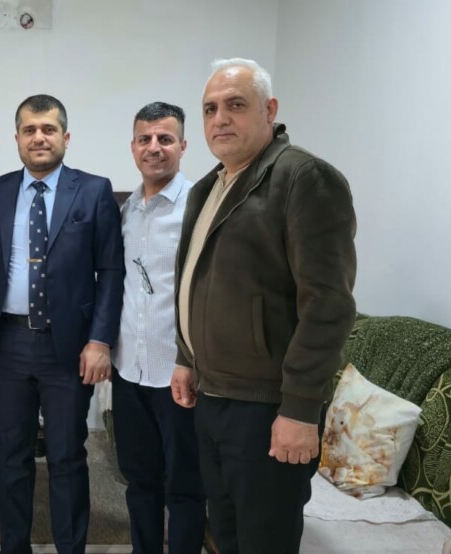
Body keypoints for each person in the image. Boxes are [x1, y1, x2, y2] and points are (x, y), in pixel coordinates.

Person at [170, 58, 357, 553]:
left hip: (267, 409)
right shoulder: (208, 188)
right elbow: (197, 282)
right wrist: (186, 357)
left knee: (263, 541)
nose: (220, 119)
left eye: (235, 105)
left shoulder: (303, 179)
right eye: (210, 109)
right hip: (213, 398)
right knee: (225, 535)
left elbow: (328, 305)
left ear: (269, 110)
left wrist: (299, 409)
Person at [0, 94, 124, 554]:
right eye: (30, 129)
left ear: (66, 138)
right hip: (8, 344)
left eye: (49, 129)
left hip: (68, 347)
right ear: (16, 138)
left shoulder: (93, 190)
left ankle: (70, 547)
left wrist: (100, 340)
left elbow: (111, 270)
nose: (39, 137)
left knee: (67, 455)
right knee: (11, 455)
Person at [112, 101, 207, 553]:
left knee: (185, 486)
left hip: (179, 375)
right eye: (145, 139)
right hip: (129, 372)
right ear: (133, 147)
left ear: (183, 146)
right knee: (139, 480)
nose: (154, 147)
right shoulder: (126, 210)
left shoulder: (200, 207)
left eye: (165, 139)